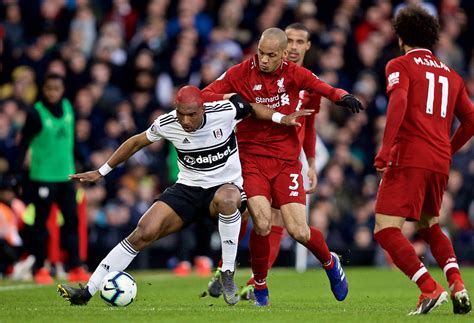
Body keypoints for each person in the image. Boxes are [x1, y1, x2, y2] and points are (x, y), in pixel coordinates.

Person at [57, 85, 312, 306]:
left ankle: (227, 271)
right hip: (187, 189)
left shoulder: (224, 112)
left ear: (203, 108)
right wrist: (102, 171)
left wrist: (281, 118)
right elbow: (135, 142)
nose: (186, 121)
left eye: (191, 114)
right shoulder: (167, 123)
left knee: (227, 199)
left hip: (224, 187)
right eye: (181, 114)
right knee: (143, 231)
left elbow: (253, 108)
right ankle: (87, 290)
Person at [202, 27, 363, 306]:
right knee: (261, 224)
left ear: (284, 53)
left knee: (298, 231)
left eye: (270, 55)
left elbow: (323, 89)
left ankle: (330, 262)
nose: (263, 60)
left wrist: (341, 96)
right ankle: (259, 286)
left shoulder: (295, 75)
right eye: (260, 53)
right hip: (250, 159)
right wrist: (230, 98)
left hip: (287, 163)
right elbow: (204, 95)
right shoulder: (240, 72)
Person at [373, 6, 473, 315]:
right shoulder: (452, 75)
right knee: (429, 225)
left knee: (385, 229)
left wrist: (385, 149)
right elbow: (470, 121)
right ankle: (457, 282)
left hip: (409, 156)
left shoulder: (399, 65)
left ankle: (429, 287)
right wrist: (449, 149)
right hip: (439, 161)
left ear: (401, 37)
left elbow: (400, 100)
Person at [14, 73, 90, 284]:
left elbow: (71, 141)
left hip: (66, 176)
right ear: (43, 90)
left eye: (57, 88)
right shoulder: (36, 114)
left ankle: (76, 266)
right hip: (42, 177)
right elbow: (23, 145)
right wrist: (16, 173)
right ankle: (40, 267)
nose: (53, 93)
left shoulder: (68, 109)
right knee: (41, 224)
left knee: (72, 221)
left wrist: (82, 160)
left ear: (62, 90)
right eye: (49, 88)